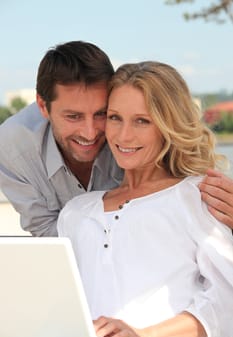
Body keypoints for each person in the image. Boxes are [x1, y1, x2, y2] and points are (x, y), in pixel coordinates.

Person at [57, 61, 233, 337]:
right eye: (115, 117)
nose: (124, 136)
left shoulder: (195, 196)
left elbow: (227, 302)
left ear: (167, 126)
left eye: (142, 120)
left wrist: (145, 336)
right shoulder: (76, 212)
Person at [0, 40, 232, 237]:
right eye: (73, 116)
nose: (90, 133)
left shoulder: (188, 193)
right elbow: (47, 235)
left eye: (102, 114)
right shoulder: (12, 146)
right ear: (43, 106)